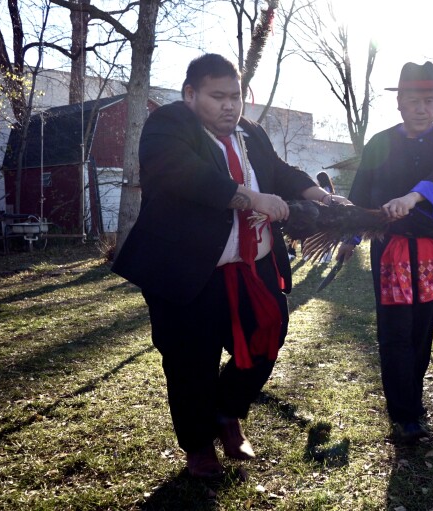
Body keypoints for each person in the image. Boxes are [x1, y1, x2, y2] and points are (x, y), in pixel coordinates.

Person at [112, 53, 349, 478]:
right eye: (217, 96)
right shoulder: (167, 125)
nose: (229, 106)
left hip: (252, 266)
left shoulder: (251, 133)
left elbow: (278, 170)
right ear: (190, 95)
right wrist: (253, 198)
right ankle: (199, 446)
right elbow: (186, 175)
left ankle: (227, 412)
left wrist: (319, 195)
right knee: (190, 363)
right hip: (188, 275)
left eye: (235, 96)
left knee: (266, 339)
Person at [337, 61, 433, 442]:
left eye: (429, 100)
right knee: (394, 331)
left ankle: (414, 398)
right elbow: (360, 193)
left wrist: (412, 198)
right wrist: (349, 237)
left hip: (430, 251)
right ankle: (404, 413)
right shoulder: (379, 142)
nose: (422, 108)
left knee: (420, 330)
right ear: (400, 103)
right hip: (389, 249)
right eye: (413, 100)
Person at [316, 171, 336, 263]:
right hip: (328, 216)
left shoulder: (325, 190)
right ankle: (326, 256)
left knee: (325, 237)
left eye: (318, 180)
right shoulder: (329, 189)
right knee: (325, 237)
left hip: (325, 216)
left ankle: (327, 257)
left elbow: (324, 203)